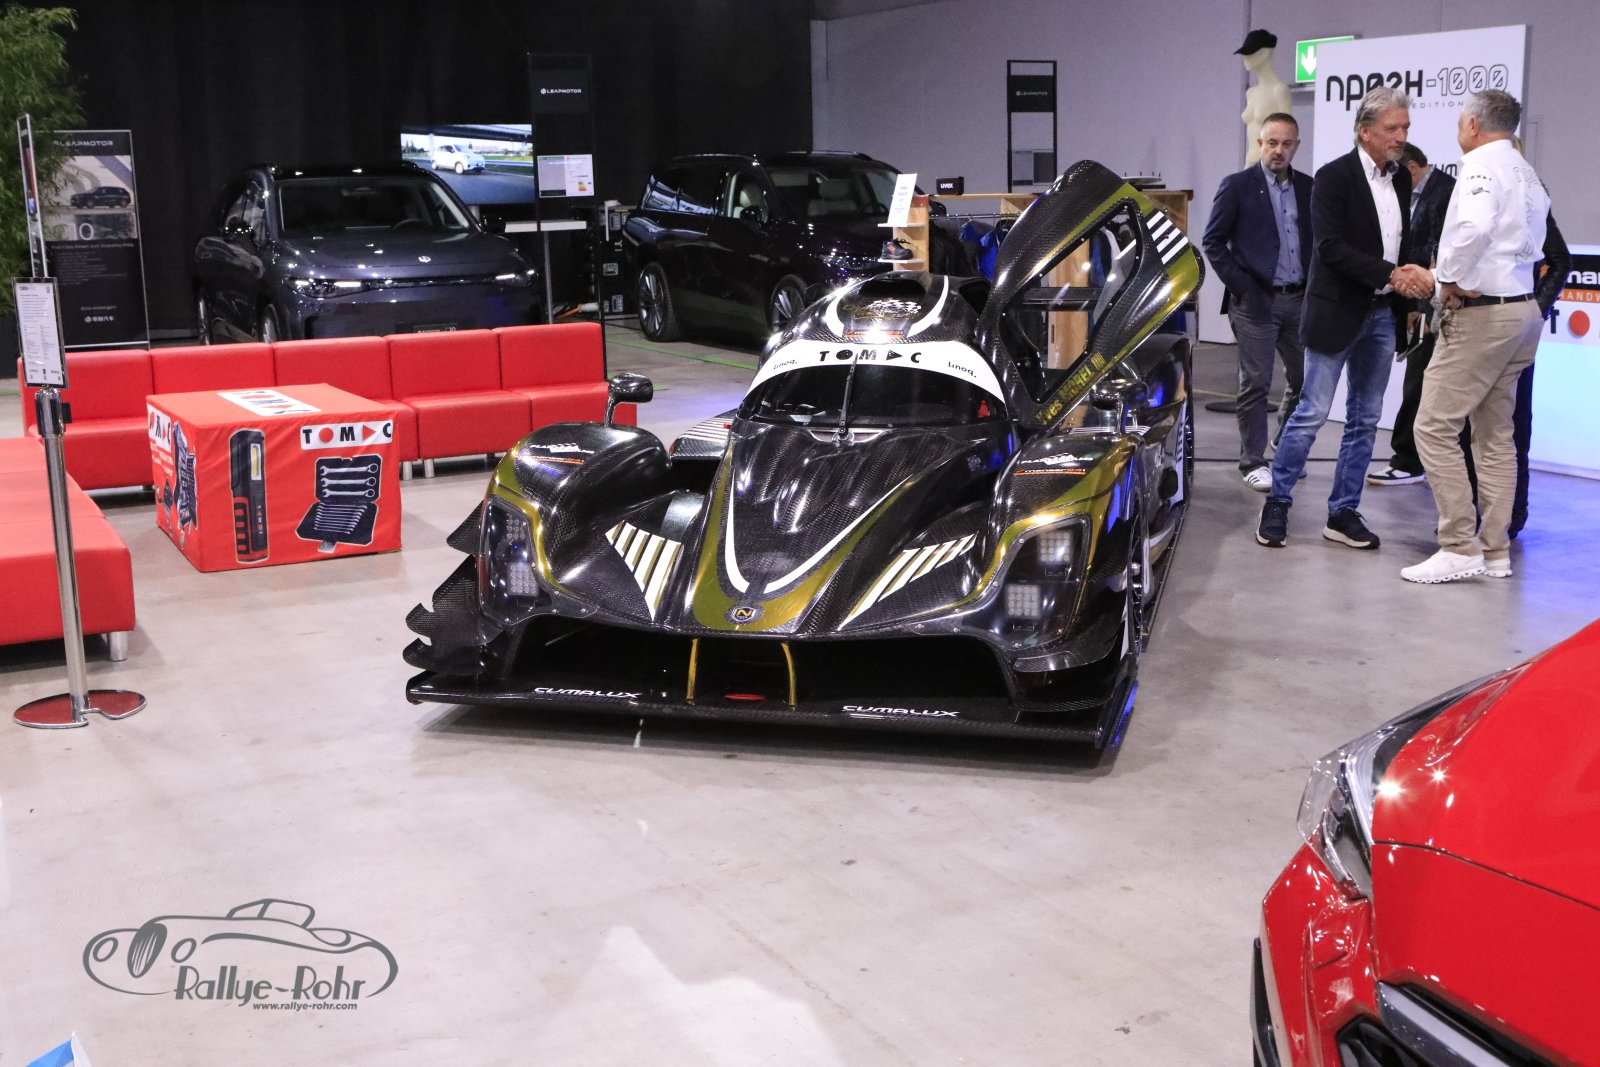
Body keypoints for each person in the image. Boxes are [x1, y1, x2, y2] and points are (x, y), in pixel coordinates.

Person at [1255, 87, 1431, 549]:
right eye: (1392, 128)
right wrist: (1391, 275)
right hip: (1336, 312)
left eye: (1405, 127)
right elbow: (1330, 248)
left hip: (1382, 314)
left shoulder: (1400, 178)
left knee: (1365, 419)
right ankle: (1278, 502)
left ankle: (1343, 512)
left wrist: (1408, 297)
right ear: (1365, 131)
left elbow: (1399, 242)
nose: (1401, 136)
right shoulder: (1333, 177)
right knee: (1311, 413)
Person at [1401, 90, 1550, 583]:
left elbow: (1476, 226)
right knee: (1495, 434)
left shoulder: (1481, 166)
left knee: (1433, 427)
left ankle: (1459, 545)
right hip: (1522, 309)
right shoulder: (1526, 172)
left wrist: (1444, 278)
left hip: (1483, 316)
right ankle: (1495, 550)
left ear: (1472, 125)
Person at [1202, 112, 1313, 490]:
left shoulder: (1308, 188)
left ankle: (1285, 445)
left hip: (1300, 301)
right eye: (1272, 143)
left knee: (1305, 380)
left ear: (1296, 146)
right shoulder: (1237, 186)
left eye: (1286, 144)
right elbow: (1213, 241)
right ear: (1260, 144)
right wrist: (1242, 286)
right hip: (1255, 303)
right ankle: (1252, 460)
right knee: (1256, 384)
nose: (1278, 150)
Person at [1367, 142, 1457, 486]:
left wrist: (1418, 306)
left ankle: (1408, 461)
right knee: (1418, 381)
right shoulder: (1417, 193)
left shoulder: (1445, 192)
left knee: (1419, 382)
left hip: (1432, 303)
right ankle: (1411, 459)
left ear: (1411, 168)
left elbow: (1438, 252)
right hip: (1418, 299)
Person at [1236, 30, 1292, 168]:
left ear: (1265, 53)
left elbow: (1288, 135)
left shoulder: (1279, 91)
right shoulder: (1250, 93)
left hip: (1271, 164)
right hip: (1249, 162)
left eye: (1250, 52)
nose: (1245, 57)